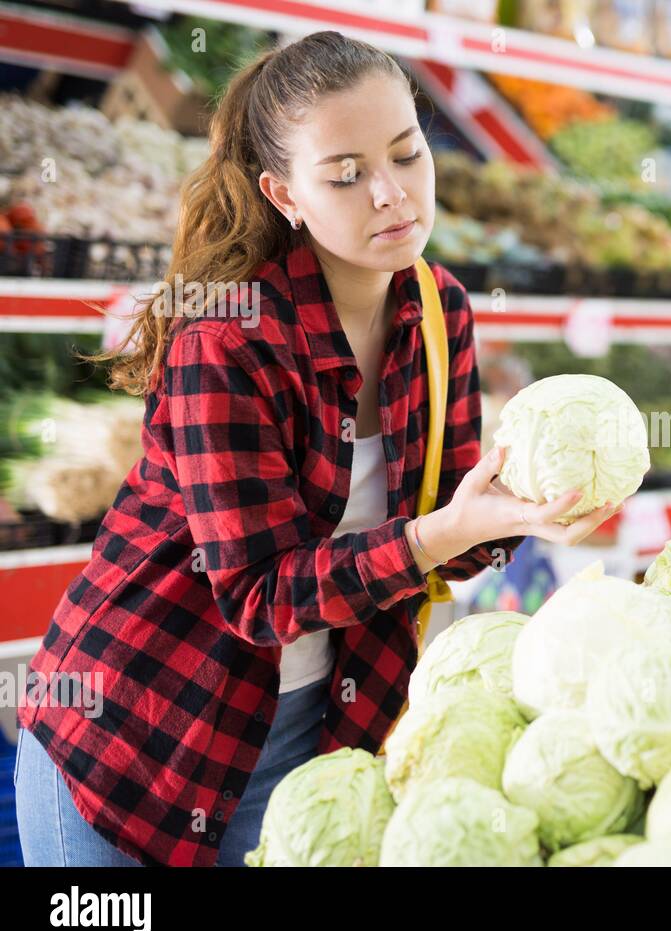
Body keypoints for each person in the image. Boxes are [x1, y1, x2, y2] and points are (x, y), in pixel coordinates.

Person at [13, 31, 617, 867]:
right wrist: (448, 531)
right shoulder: (228, 340)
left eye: (408, 155)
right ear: (284, 193)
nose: (391, 194)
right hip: (141, 734)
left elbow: (456, 514)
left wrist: (533, 508)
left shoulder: (440, 311)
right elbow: (260, 595)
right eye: (345, 174)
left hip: (322, 732)